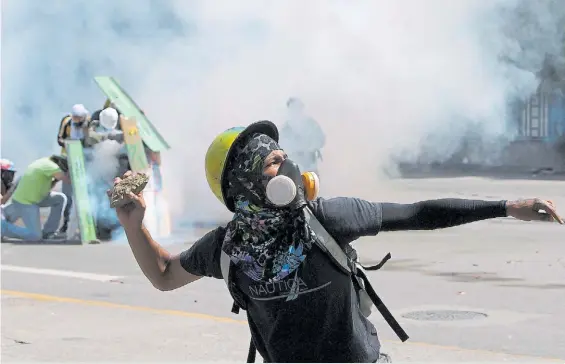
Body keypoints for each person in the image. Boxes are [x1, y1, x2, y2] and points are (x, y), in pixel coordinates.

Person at [110, 121, 563, 363]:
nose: (288, 168)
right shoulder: (226, 247)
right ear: (244, 182)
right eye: (272, 162)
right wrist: (134, 225)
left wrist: (504, 206)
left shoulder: (326, 218)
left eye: (286, 158)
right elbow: (165, 277)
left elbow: (417, 213)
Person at [2, 155, 70, 241]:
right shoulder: (52, 167)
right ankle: (3, 228)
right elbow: (67, 180)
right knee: (35, 236)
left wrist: (55, 181)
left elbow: (49, 185)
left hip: (33, 198)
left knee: (59, 199)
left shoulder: (46, 162)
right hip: (27, 202)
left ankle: (48, 232)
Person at [57, 103, 90, 234]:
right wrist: (68, 143)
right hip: (68, 160)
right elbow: (59, 138)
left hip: (83, 161)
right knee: (67, 194)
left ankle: (84, 225)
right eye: (75, 118)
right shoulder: (66, 121)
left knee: (84, 193)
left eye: (79, 118)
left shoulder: (88, 123)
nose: (77, 120)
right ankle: (66, 223)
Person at [279, 97, 325, 175]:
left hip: (310, 166)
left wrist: (312, 148)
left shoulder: (311, 124)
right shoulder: (286, 128)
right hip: (294, 167)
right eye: (292, 108)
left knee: (313, 184)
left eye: (297, 108)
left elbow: (320, 138)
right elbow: (281, 145)